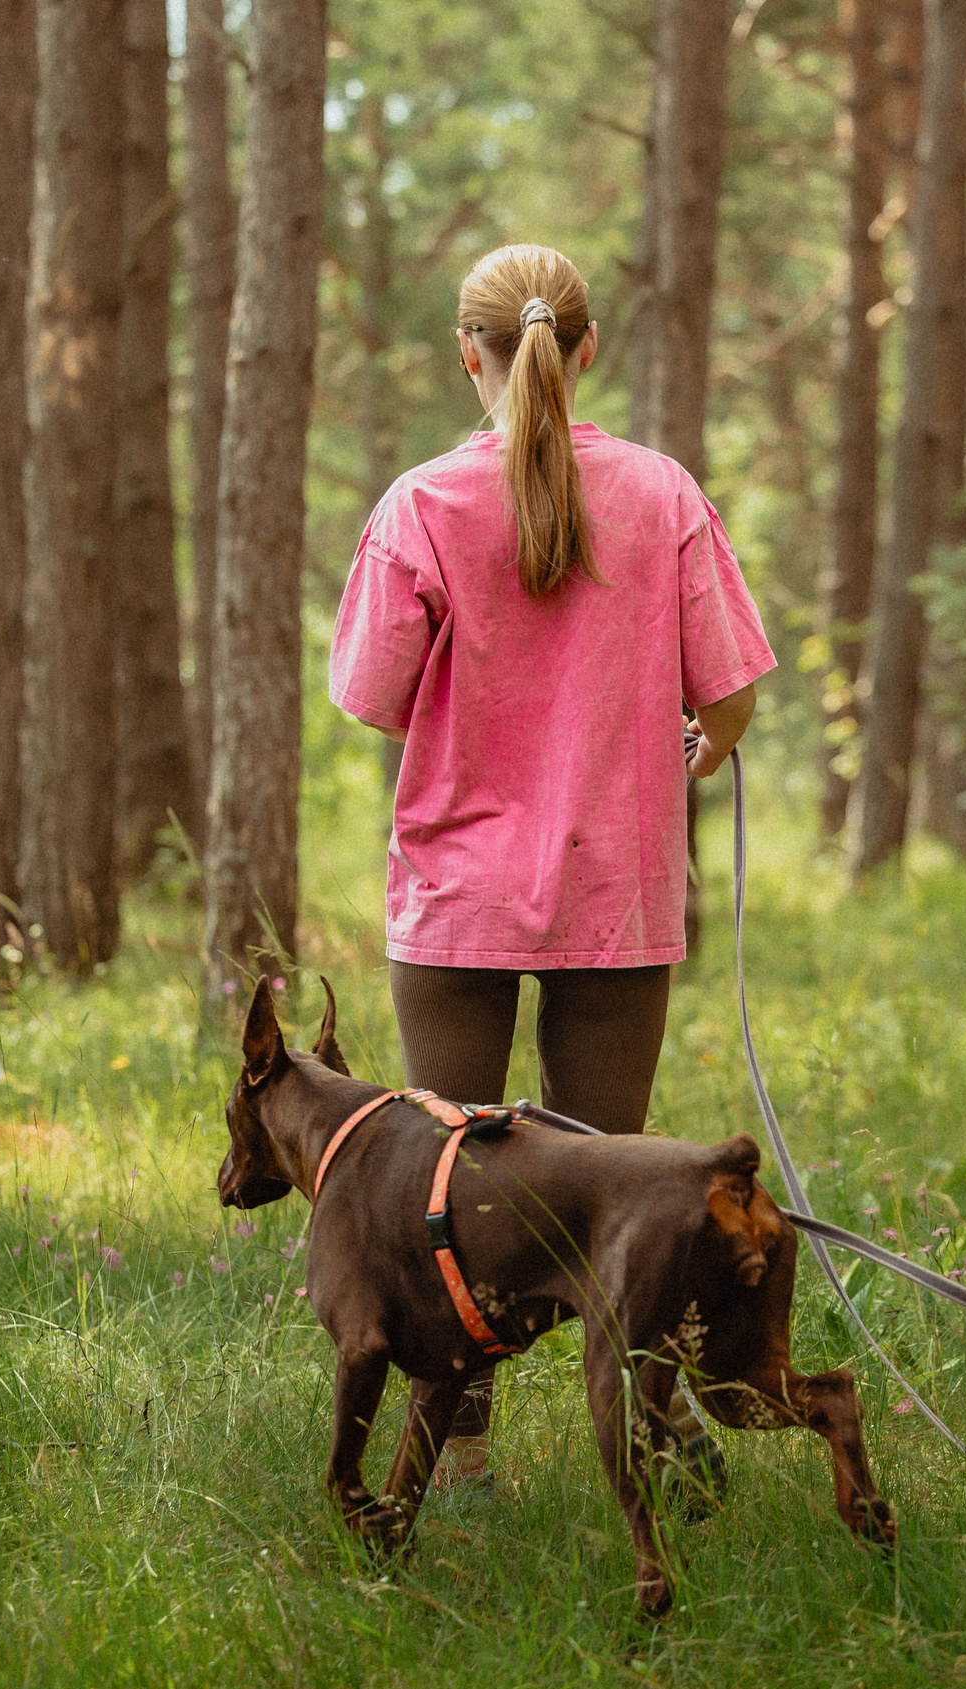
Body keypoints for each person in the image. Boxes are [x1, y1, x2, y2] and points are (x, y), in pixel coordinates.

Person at [326, 243, 775, 1488]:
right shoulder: (663, 493)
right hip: (617, 891)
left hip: (455, 894)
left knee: (446, 1182)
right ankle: (652, 1427)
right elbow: (730, 696)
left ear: (467, 355)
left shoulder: (419, 504)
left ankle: (457, 1444)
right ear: (586, 353)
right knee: (611, 1189)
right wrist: (686, 745)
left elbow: (370, 698)